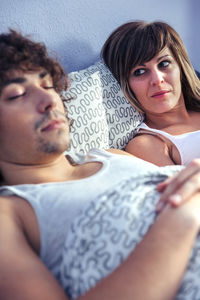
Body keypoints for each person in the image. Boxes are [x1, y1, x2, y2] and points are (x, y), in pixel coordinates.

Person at [0, 29, 200, 300]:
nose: (50, 101)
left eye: (48, 86)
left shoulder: (109, 155)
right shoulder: (10, 213)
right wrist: (184, 216)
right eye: (17, 95)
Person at [101, 20, 200, 166]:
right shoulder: (146, 143)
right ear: (125, 84)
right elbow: (180, 188)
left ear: (180, 66)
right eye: (139, 72)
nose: (157, 80)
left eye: (164, 64)